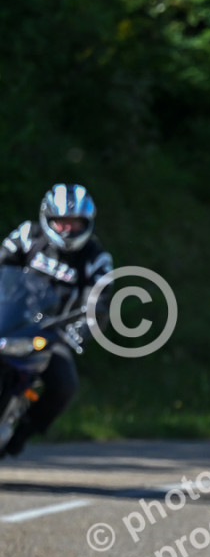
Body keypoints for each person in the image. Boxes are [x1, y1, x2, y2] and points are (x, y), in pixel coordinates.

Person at [0, 184, 111, 453]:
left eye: (75, 223)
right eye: (61, 221)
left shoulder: (96, 258)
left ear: (87, 223)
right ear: (48, 218)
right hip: (10, 318)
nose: (67, 229)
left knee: (65, 384)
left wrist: (78, 332)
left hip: (52, 331)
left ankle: (23, 432)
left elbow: (98, 303)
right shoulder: (27, 235)